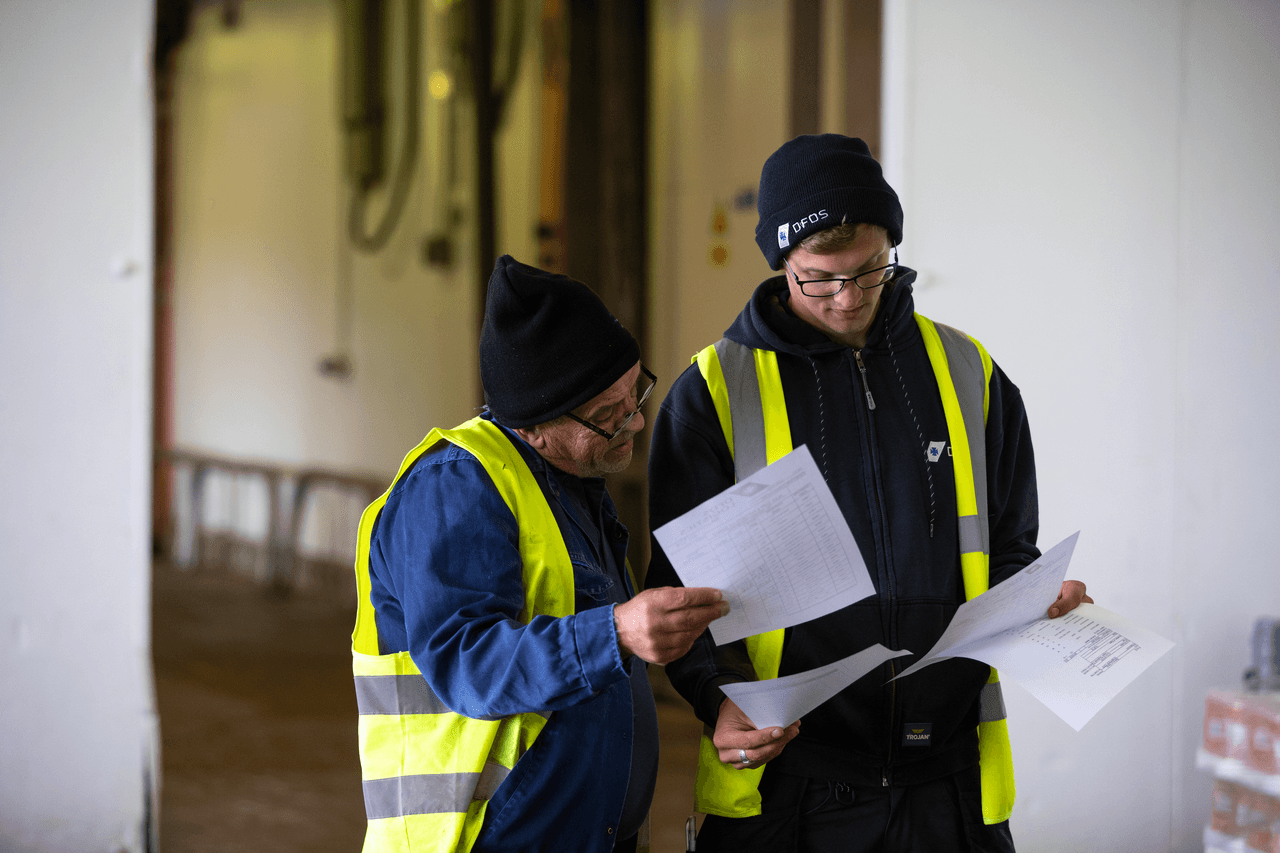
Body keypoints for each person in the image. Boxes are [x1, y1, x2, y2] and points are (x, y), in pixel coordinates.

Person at [645, 134, 1092, 852]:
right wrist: (716, 698)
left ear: (892, 245)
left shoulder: (970, 373)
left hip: (947, 787)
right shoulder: (714, 394)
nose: (847, 298)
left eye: (869, 271)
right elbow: (678, 594)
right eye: (819, 278)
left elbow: (1007, 546)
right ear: (781, 263)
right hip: (788, 787)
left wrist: (1038, 600)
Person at [351, 255, 728, 853]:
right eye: (607, 416)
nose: (634, 422)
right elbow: (465, 662)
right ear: (532, 425)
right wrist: (616, 633)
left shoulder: (572, 482)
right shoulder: (457, 487)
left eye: (635, 394)